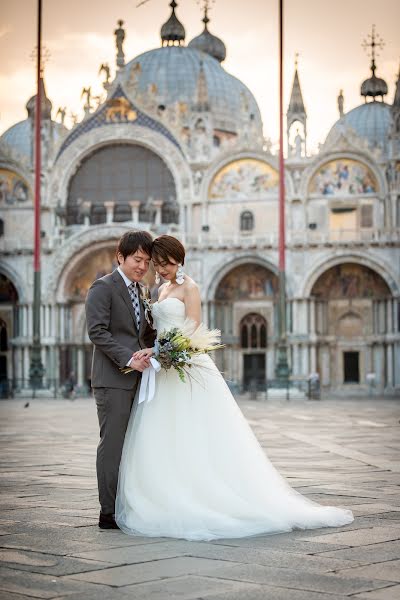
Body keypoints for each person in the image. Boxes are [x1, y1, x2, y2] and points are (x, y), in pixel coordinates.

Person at [115, 235, 353, 541]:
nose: (162, 270)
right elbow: (156, 330)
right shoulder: (159, 289)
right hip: (162, 373)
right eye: (158, 265)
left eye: (168, 264)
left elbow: (193, 332)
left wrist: (162, 353)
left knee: (195, 432)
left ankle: (204, 494)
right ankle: (166, 491)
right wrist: (152, 351)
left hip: (184, 365)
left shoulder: (190, 287)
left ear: (180, 260)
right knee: (164, 433)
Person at [85, 230, 156, 530]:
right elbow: (97, 331)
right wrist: (129, 358)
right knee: (112, 445)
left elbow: (145, 333)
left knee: (135, 446)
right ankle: (108, 512)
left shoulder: (143, 291)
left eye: (147, 261)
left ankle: (128, 505)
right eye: (137, 259)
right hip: (113, 379)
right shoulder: (102, 287)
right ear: (121, 257)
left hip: (140, 380)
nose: (142, 266)